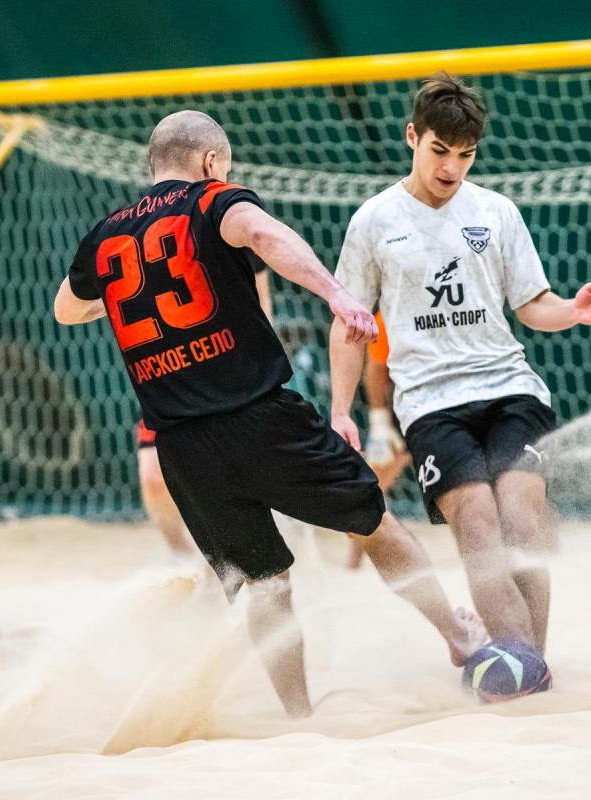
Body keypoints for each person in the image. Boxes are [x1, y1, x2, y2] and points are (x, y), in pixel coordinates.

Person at [53, 110, 483, 718]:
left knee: (265, 584)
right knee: (373, 521)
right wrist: (337, 294)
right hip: (259, 416)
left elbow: (67, 310)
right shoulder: (215, 201)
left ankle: (299, 715)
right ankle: (459, 636)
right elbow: (262, 233)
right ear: (211, 162)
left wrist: (129, 294)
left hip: (182, 446)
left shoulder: (105, 236)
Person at [330, 74, 591, 657]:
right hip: (431, 405)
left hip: (511, 390)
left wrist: (572, 309)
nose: (451, 167)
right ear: (412, 137)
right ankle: (516, 660)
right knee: (479, 525)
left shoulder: (496, 211)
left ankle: (528, 666)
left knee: (522, 520)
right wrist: (341, 411)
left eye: (465, 155)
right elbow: (349, 326)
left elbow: (532, 305)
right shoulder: (374, 221)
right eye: (440, 150)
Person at [134, 273, 273, 563]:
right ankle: (182, 556)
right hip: (166, 376)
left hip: (222, 372)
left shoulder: (231, 248)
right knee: (153, 476)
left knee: (222, 478)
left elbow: (260, 302)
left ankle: (226, 564)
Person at [344, 312, 410, 570]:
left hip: (455, 395)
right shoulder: (388, 316)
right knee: (374, 483)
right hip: (405, 399)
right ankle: (353, 563)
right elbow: (375, 368)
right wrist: (379, 422)